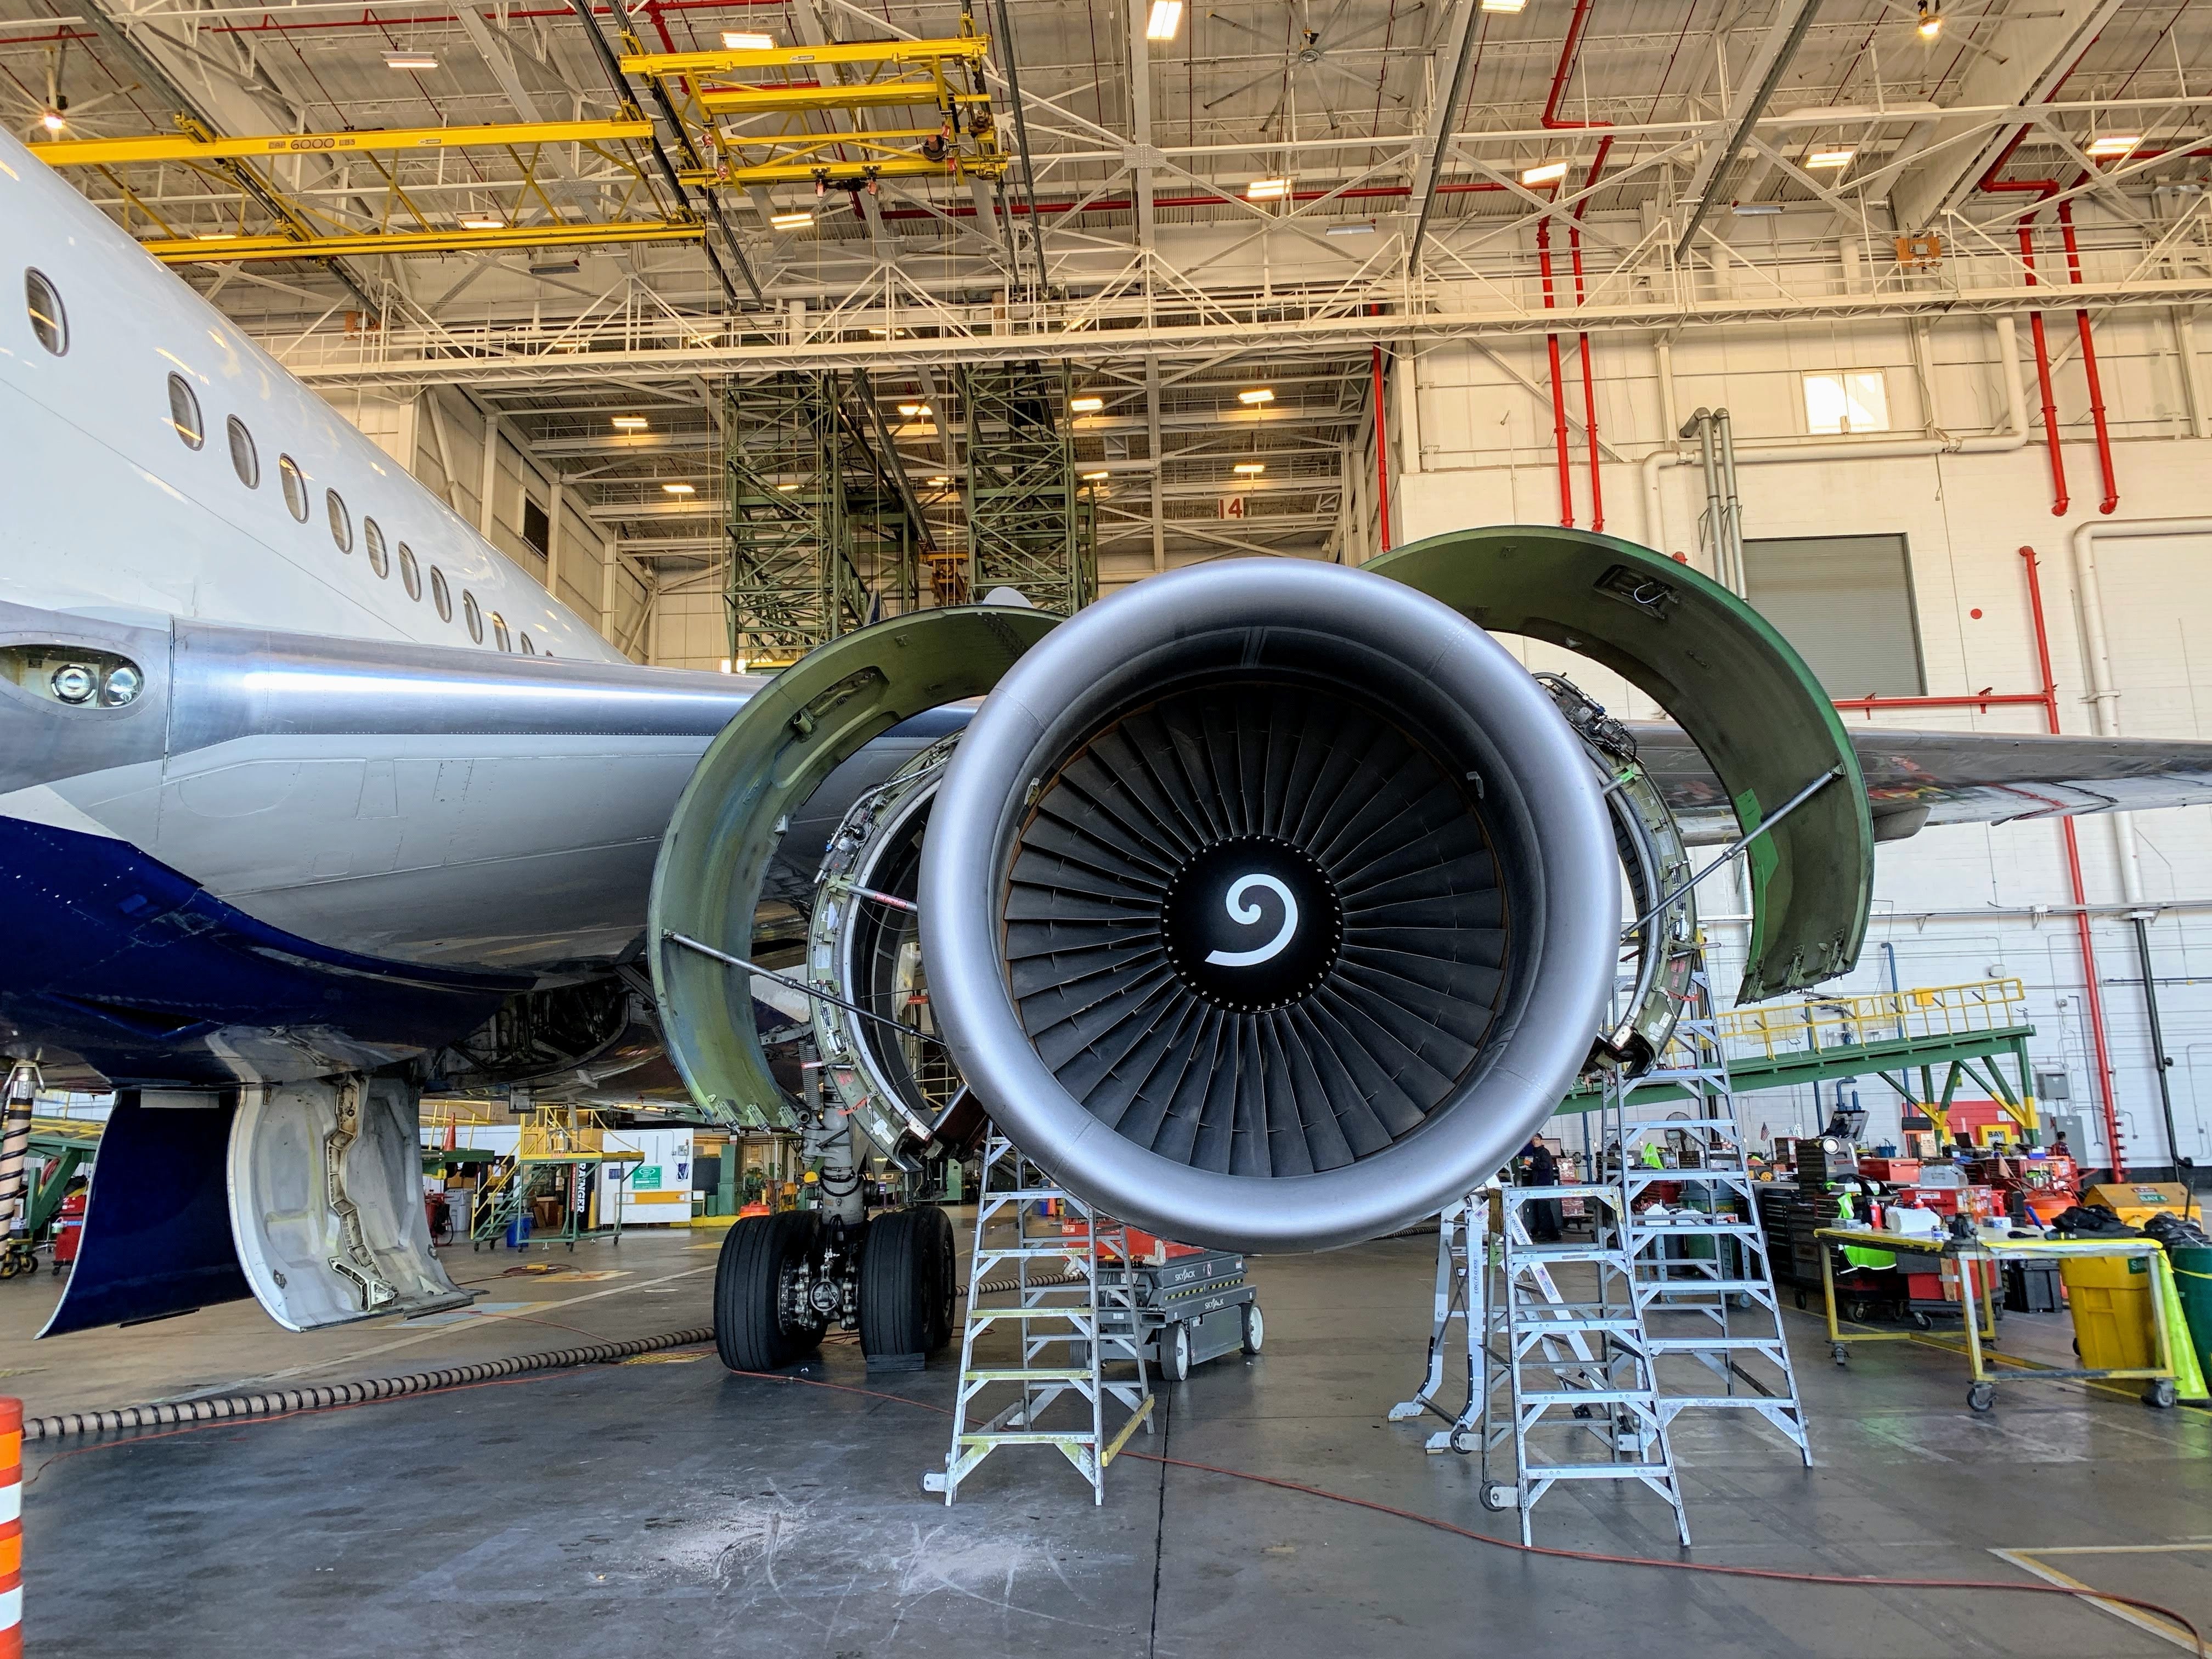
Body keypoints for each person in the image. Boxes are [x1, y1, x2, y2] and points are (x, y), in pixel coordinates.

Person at [1516, 1137, 1563, 1243]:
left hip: (1544, 1185)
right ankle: (1549, 1233)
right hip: (1539, 1184)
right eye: (1533, 1141)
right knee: (1542, 1210)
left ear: (1541, 1141)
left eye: (1537, 1140)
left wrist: (1530, 1164)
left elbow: (1545, 1165)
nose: (1535, 1142)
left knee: (1544, 1210)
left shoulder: (1544, 1152)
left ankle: (1549, 1234)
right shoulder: (1536, 1152)